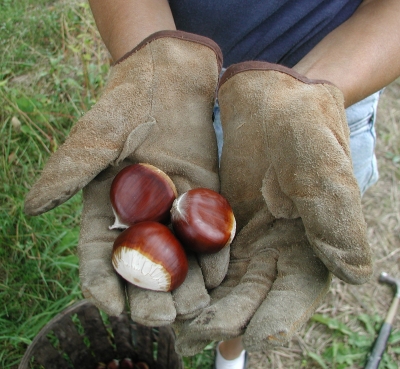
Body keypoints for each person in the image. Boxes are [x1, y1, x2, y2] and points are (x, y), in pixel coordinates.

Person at [24, 1, 400, 369]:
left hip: (321, 97)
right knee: (243, 256)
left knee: (257, 260)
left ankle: (232, 349)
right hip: (177, 82)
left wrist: (305, 95)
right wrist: (157, 64)